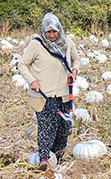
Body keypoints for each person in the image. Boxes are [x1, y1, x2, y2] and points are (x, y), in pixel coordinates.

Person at [18, 13, 81, 170]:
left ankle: (58, 158)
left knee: (63, 126)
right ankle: (44, 159)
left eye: (54, 32)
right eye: (49, 32)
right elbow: (22, 64)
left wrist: (74, 71)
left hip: (64, 93)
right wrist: (32, 80)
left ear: (59, 30)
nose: (52, 35)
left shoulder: (66, 42)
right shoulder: (36, 44)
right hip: (43, 94)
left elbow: (76, 59)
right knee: (46, 126)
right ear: (44, 32)